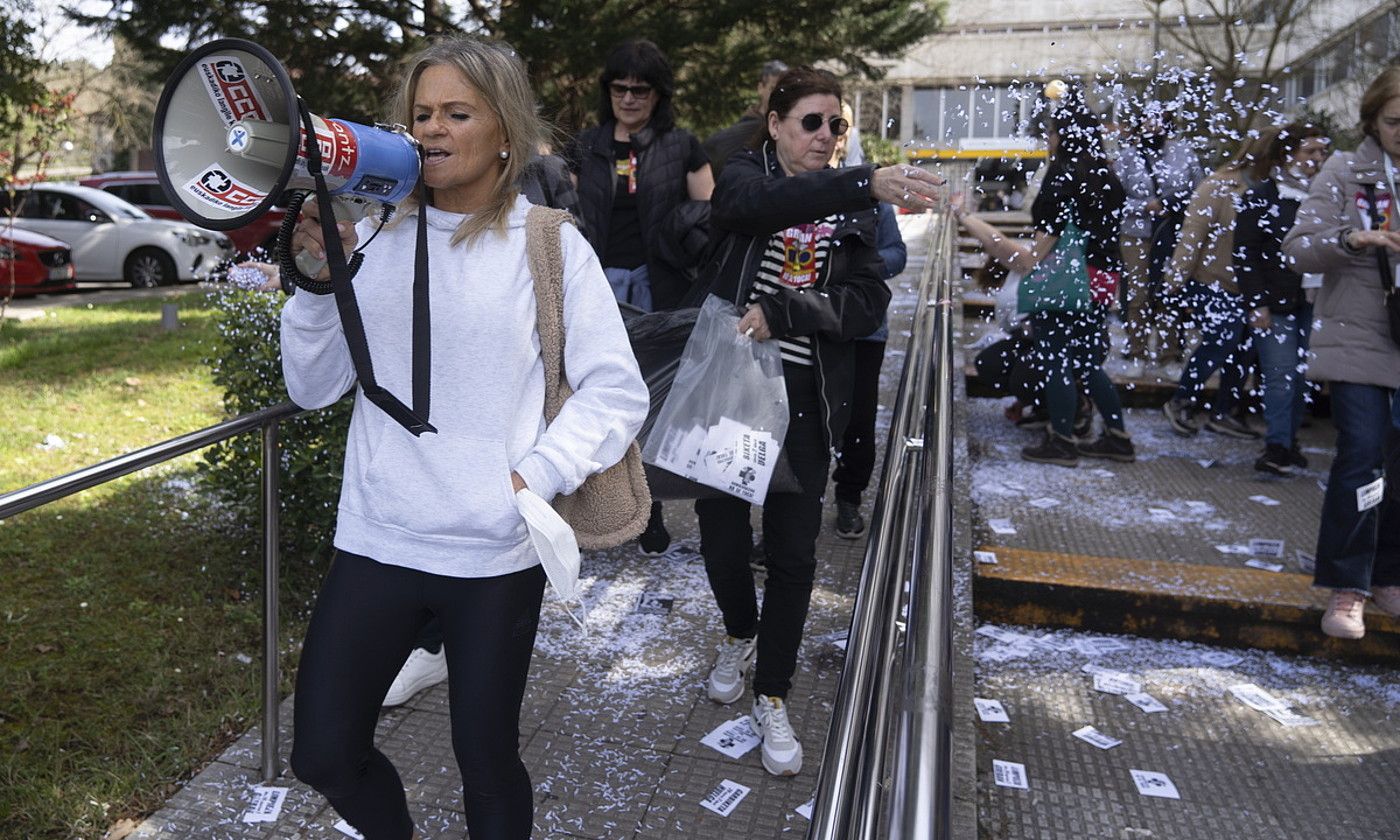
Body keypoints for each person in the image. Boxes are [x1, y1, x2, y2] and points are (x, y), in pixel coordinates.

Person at [279, 34, 649, 839]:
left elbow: (616, 390)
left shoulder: (546, 243)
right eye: (420, 114)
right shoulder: (371, 232)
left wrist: (536, 476)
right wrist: (316, 283)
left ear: (504, 130)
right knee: (323, 754)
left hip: (491, 552)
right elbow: (313, 389)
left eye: (456, 112)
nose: (432, 130)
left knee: (486, 761)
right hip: (379, 536)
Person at [695, 66, 939, 776]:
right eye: (812, 122)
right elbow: (752, 206)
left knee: (796, 555)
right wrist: (861, 181)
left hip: (806, 398)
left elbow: (867, 303)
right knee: (720, 542)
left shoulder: (855, 207)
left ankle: (772, 691)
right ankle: (739, 631)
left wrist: (790, 310)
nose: (827, 137)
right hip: (730, 391)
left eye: (838, 125)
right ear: (774, 123)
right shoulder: (745, 174)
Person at [566, 39, 714, 557]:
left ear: (658, 94)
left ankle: (649, 510)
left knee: (650, 402)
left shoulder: (681, 144)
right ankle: (604, 508)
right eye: (620, 87)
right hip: (596, 285)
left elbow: (711, 212)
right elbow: (562, 211)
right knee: (594, 395)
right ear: (608, 90)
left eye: (641, 89)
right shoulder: (587, 144)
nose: (629, 98)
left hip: (659, 290)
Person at [953, 81, 1133, 467]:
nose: (1047, 139)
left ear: (1061, 136)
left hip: (1067, 282)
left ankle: (1062, 441)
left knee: (1054, 360)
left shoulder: (1061, 176)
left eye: (1050, 132)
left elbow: (1039, 253)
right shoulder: (1108, 176)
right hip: (1103, 280)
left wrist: (982, 230)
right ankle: (1118, 438)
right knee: (1086, 362)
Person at [1281, 66, 1400, 640]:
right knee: (1362, 452)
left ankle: (1389, 574)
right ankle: (1347, 586)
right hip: (1360, 332)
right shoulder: (1347, 170)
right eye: (1396, 121)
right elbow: (1299, 249)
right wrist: (1351, 239)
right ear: (1373, 120)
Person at [1160, 129, 1277, 440]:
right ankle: (1182, 400)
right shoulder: (1219, 185)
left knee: (1244, 350)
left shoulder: (1274, 187)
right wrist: (1176, 279)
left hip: (1248, 285)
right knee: (1221, 340)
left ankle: (1224, 411)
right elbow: (1192, 234)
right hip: (1211, 279)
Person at [1233, 123, 1330, 476]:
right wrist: (1255, 302)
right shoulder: (1261, 196)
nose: (1317, 160)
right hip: (1275, 298)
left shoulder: (1328, 196)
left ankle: (1289, 441)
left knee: (1304, 376)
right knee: (1280, 374)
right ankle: (1276, 445)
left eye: (1322, 152)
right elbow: (1246, 253)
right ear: (1288, 155)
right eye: (1310, 152)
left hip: (1318, 299)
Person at [828, 120, 906, 538]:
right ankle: (789, 512)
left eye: (838, 128)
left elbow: (897, 252)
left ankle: (849, 497)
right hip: (811, 324)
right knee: (804, 420)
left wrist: (861, 269)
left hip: (864, 328)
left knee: (858, 417)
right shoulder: (799, 188)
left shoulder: (873, 195)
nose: (828, 138)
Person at [1126, 102, 1205, 364]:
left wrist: (1178, 207)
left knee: (1168, 292)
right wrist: (1143, 206)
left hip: (1173, 232)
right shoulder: (1128, 157)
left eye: (1159, 120)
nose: (1153, 125)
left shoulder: (1185, 154)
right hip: (1135, 233)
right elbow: (1115, 200)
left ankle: (1170, 353)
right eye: (1148, 120)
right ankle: (1136, 351)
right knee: (1138, 295)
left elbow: (1200, 193)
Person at [703, 59, 789, 180]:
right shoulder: (743, 130)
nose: (778, 96)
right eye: (772, 89)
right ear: (760, 88)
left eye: (783, 91)